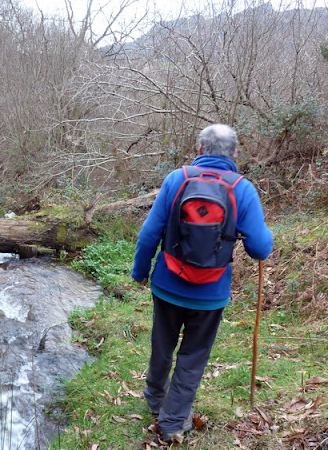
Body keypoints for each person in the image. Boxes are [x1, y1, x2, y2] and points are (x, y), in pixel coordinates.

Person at [131, 124, 273, 443]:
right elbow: (260, 248)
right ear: (235, 153)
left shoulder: (177, 179)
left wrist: (140, 271)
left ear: (200, 149)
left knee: (162, 343)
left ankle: (155, 398)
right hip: (210, 294)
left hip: (167, 284)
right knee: (193, 358)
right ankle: (171, 423)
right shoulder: (242, 189)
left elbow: (149, 234)